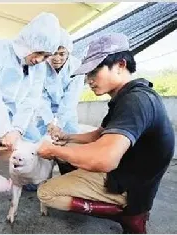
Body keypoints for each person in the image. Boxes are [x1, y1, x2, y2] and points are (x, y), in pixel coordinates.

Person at [36, 33, 175, 233]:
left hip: (131, 185)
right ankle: (91, 189)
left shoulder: (135, 101)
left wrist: (54, 151)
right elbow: (99, 135)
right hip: (131, 170)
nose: (89, 80)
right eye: (87, 75)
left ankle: (127, 215)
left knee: (46, 192)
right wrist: (68, 138)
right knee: (65, 147)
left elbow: (105, 160)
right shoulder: (128, 95)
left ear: (120, 65)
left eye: (94, 71)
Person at [0, 12, 61, 221]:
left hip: (16, 109)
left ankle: (26, 176)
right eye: (39, 53)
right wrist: (3, 130)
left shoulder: (39, 67)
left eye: (46, 56)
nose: (40, 60)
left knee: (33, 142)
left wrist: (16, 129)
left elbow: (31, 101)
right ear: (28, 42)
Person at [23, 28, 85, 192]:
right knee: (37, 145)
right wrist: (49, 121)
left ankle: (70, 181)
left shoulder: (77, 66)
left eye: (62, 54)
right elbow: (40, 96)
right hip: (43, 113)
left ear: (68, 53)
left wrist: (60, 123)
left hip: (68, 113)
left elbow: (70, 99)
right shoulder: (40, 66)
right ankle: (34, 178)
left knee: (69, 146)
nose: (57, 58)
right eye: (53, 53)